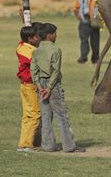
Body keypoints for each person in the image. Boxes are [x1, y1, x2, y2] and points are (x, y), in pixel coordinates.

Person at [31, 23, 85, 153]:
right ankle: (69, 146)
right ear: (49, 35)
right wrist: (49, 88)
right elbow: (55, 71)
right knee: (62, 116)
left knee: (46, 116)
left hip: (41, 85)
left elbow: (33, 71)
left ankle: (48, 146)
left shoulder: (36, 51)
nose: (56, 36)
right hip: (52, 85)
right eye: (55, 33)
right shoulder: (55, 50)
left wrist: (39, 86)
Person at [16, 23, 43, 152]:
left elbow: (23, 38)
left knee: (27, 115)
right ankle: (26, 144)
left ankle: (23, 142)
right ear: (30, 39)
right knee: (34, 115)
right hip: (31, 86)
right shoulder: (31, 52)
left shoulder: (21, 46)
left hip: (24, 86)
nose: (39, 39)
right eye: (37, 37)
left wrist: (24, 21)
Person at [73, 0, 100, 64]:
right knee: (84, 40)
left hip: (94, 20)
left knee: (95, 40)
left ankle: (95, 58)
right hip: (84, 20)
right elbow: (75, 9)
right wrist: (79, 17)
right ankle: (83, 57)